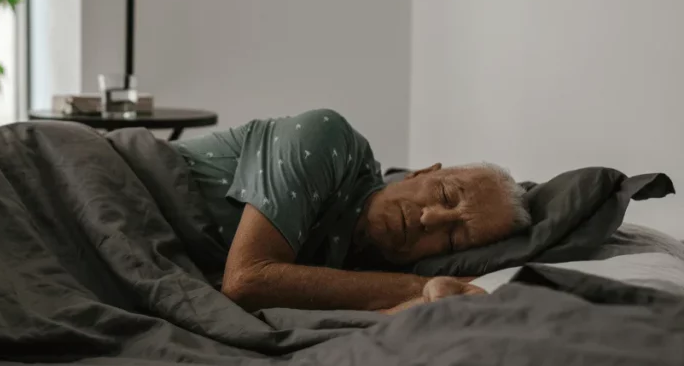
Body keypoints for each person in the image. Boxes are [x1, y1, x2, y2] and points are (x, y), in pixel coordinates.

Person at [172, 109, 531, 314]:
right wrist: (421, 287)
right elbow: (246, 281)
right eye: (446, 195)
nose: (429, 219)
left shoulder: (359, 267)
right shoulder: (327, 139)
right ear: (424, 172)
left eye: (452, 238)